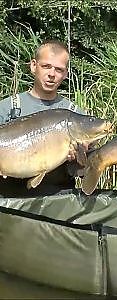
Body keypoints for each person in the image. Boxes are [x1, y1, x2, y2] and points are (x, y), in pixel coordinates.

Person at [0, 40, 86, 197]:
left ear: (66, 74)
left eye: (59, 70)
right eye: (46, 66)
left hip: (57, 201)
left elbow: (82, 170)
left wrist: (76, 159)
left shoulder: (74, 114)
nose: (52, 74)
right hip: (10, 199)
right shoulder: (7, 108)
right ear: (34, 66)